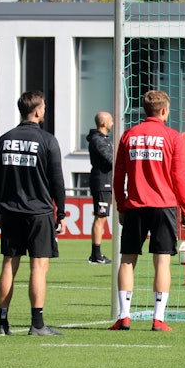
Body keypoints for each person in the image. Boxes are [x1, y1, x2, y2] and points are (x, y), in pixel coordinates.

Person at [109, 90, 185, 332]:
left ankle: (124, 317)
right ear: (164, 111)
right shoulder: (173, 137)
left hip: (135, 205)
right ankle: (158, 318)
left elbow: (118, 176)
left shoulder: (129, 135)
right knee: (162, 262)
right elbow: (179, 177)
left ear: (144, 111)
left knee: (127, 261)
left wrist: (121, 205)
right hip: (163, 206)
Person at [0, 91, 67, 337]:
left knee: (8, 265)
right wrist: (62, 214)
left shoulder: (4, 140)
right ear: (37, 111)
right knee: (38, 266)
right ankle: (37, 324)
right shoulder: (47, 141)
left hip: (11, 211)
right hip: (39, 212)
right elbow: (57, 182)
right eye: (43, 107)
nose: (44, 111)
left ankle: (3, 323)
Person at [86, 111, 114, 264]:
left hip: (106, 182)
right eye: (111, 120)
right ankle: (96, 255)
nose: (113, 122)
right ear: (103, 123)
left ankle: (96, 254)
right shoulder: (98, 141)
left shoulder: (104, 139)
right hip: (102, 182)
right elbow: (110, 160)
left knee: (102, 217)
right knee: (100, 217)